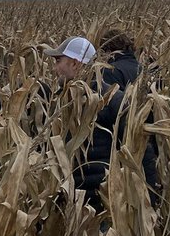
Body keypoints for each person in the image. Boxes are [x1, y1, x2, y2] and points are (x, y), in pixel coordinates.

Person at [44, 36, 161, 210]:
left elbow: (141, 151)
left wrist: (150, 204)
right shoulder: (60, 103)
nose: (54, 68)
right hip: (69, 204)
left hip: (103, 207)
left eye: (58, 61)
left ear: (75, 63)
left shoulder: (113, 101)